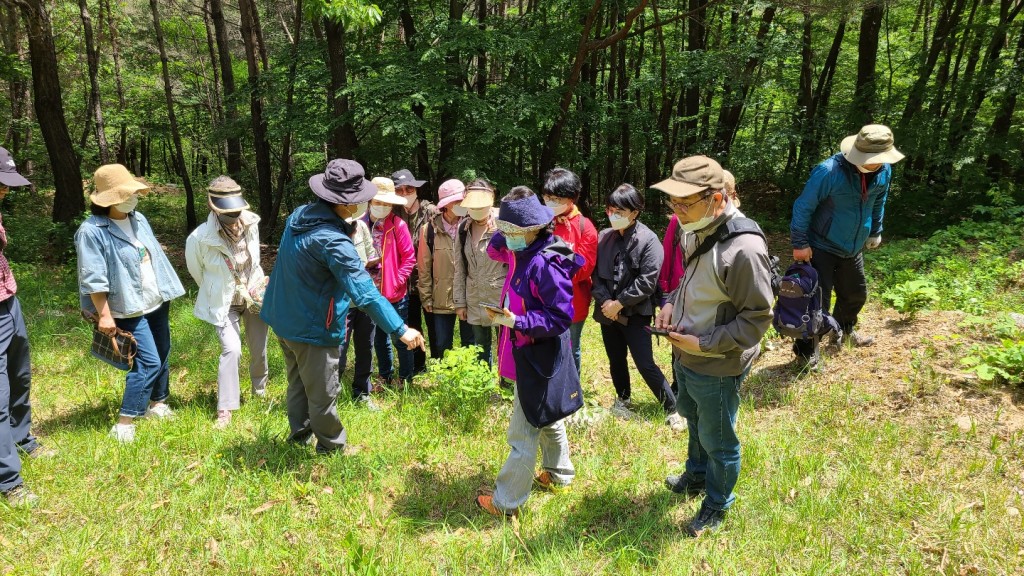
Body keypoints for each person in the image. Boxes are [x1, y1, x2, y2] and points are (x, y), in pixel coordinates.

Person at [260, 159, 424, 455]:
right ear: (346, 204)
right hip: (312, 326)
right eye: (360, 199)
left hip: (283, 317)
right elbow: (365, 293)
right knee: (323, 391)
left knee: (298, 382)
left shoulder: (299, 216)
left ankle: (299, 435)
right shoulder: (333, 242)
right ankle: (331, 447)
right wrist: (400, 328)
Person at [652, 155, 774, 537]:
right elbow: (690, 282)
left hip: (718, 363)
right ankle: (696, 475)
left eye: (684, 203)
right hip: (686, 351)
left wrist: (703, 343)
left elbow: (756, 320)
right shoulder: (695, 226)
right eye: (672, 202)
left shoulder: (744, 250)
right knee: (694, 420)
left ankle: (717, 505)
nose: (677, 211)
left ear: (717, 198)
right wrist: (670, 302)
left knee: (720, 439)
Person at [476, 186, 583, 517]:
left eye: (514, 230)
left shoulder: (545, 262)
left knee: (522, 432)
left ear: (536, 227)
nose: (506, 236)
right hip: (522, 349)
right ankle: (559, 473)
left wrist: (519, 320)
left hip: (538, 352)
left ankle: (507, 502)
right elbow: (495, 249)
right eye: (505, 229)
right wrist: (505, 225)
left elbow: (560, 316)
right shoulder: (517, 249)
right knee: (545, 412)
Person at [75, 164, 186, 443]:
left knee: (162, 352)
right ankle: (125, 422)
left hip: (154, 299)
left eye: (132, 192)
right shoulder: (92, 231)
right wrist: (104, 315)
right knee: (146, 362)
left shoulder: (138, 218)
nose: (131, 198)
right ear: (108, 198)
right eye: (125, 194)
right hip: (125, 306)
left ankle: (157, 403)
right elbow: (93, 277)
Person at [790, 124, 903, 364]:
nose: (880, 162)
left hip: (853, 247)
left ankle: (844, 331)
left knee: (855, 294)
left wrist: (875, 230)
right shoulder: (828, 172)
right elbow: (803, 207)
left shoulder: (884, 171)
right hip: (821, 245)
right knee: (816, 301)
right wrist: (800, 243)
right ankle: (806, 351)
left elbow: (879, 200)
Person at [592, 184, 683, 432]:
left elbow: (648, 280)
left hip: (635, 312)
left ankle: (672, 408)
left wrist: (620, 303)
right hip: (607, 312)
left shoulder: (648, 239)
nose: (613, 214)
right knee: (616, 359)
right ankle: (623, 399)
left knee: (645, 362)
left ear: (635, 212)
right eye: (610, 209)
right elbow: (595, 276)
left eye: (619, 210)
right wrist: (606, 303)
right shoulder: (603, 237)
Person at [185, 176, 269, 429]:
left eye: (236, 209)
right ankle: (226, 407)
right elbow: (197, 272)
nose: (234, 214)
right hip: (224, 300)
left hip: (254, 295)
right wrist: (219, 288)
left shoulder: (252, 223)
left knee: (259, 348)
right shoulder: (199, 238)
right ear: (213, 206)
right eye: (228, 210)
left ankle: (260, 392)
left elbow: (254, 258)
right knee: (232, 349)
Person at [0, 147, 47, 507]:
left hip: (8, 300)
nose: (5, 191)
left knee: (20, 374)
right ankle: (8, 481)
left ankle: (22, 437)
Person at [541, 168, 598, 377]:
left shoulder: (585, 227)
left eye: (556, 198)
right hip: (541, 299)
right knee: (545, 346)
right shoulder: (540, 222)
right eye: (547, 197)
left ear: (571, 198)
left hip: (572, 302)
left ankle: (572, 391)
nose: (550, 202)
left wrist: (553, 267)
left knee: (571, 347)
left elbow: (584, 268)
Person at [364, 177, 416, 390]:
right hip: (369, 293)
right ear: (369, 201)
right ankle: (385, 376)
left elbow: (409, 258)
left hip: (394, 293)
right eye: (379, 202)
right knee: (379, 339)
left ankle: (406, 379)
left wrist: (397, 282)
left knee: (400, 336)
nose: (383, 207)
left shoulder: (397, 225)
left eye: (387, 203)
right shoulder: (359, 224)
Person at [418, 179, 474, 356]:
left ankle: (469, 379)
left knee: (470, 343)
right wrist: (426, 297)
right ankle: (444, 381)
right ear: (445, 204)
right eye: (456, 200)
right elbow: (424, 266)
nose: (460, 204)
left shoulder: (471, 225)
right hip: (440, 297)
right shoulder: (429, 230)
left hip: (468, 295)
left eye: (462, 199)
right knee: (442, 344)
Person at [453, 180, 507, 366]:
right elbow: (459, 268)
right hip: (474, 297)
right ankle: (483, 385)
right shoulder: (463, 229)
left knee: (505, 344)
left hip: (500, 296)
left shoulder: (503, 224)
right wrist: (459, 302)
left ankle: (506, 384)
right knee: (480, 346)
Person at [392, 168, 436, 373]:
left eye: (408, 188)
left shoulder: (431, 211)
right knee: (411, 323)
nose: (404, 193)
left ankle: (438, 363)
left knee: (435, 324)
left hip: (430, 278)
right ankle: (418, 364)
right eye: (399, 190)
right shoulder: (392, 213)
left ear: (416, 189)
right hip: (403, 281)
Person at [338, 199, 379, 408]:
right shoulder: (330, 230)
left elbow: (372, 256)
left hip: (363, 299)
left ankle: (362, 393)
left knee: (366, 347)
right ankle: (331, 394)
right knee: (338, 350)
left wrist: (370, 264)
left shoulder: (362, 226)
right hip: (341, 302)